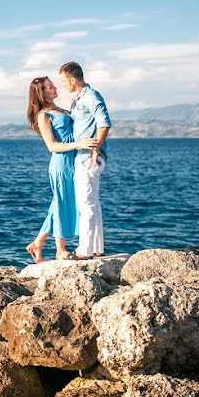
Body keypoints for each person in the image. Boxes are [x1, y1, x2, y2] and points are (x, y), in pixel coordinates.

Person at [24, 76, 97, 263]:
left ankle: (38, 244)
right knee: (60, 202)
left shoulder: (62, 110)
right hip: (60, 163)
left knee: (58, 203)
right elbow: (52, 146)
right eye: (49, 87)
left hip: (73, 161)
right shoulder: (43, 115)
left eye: (53, 84)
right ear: (42, 93)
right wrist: (79, 144)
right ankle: (60, 249)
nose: (54, 87)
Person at [59, 62, 111, 259]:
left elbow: (104, 123)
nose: (63, 85)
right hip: (83, 156)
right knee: (93, 202)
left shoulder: (90, 96)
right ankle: (97, 248)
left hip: (87, 157)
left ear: (73, 79)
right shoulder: (80, 98)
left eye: (64, 81)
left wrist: (96, 150)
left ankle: (84, 251)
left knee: (86, 203)